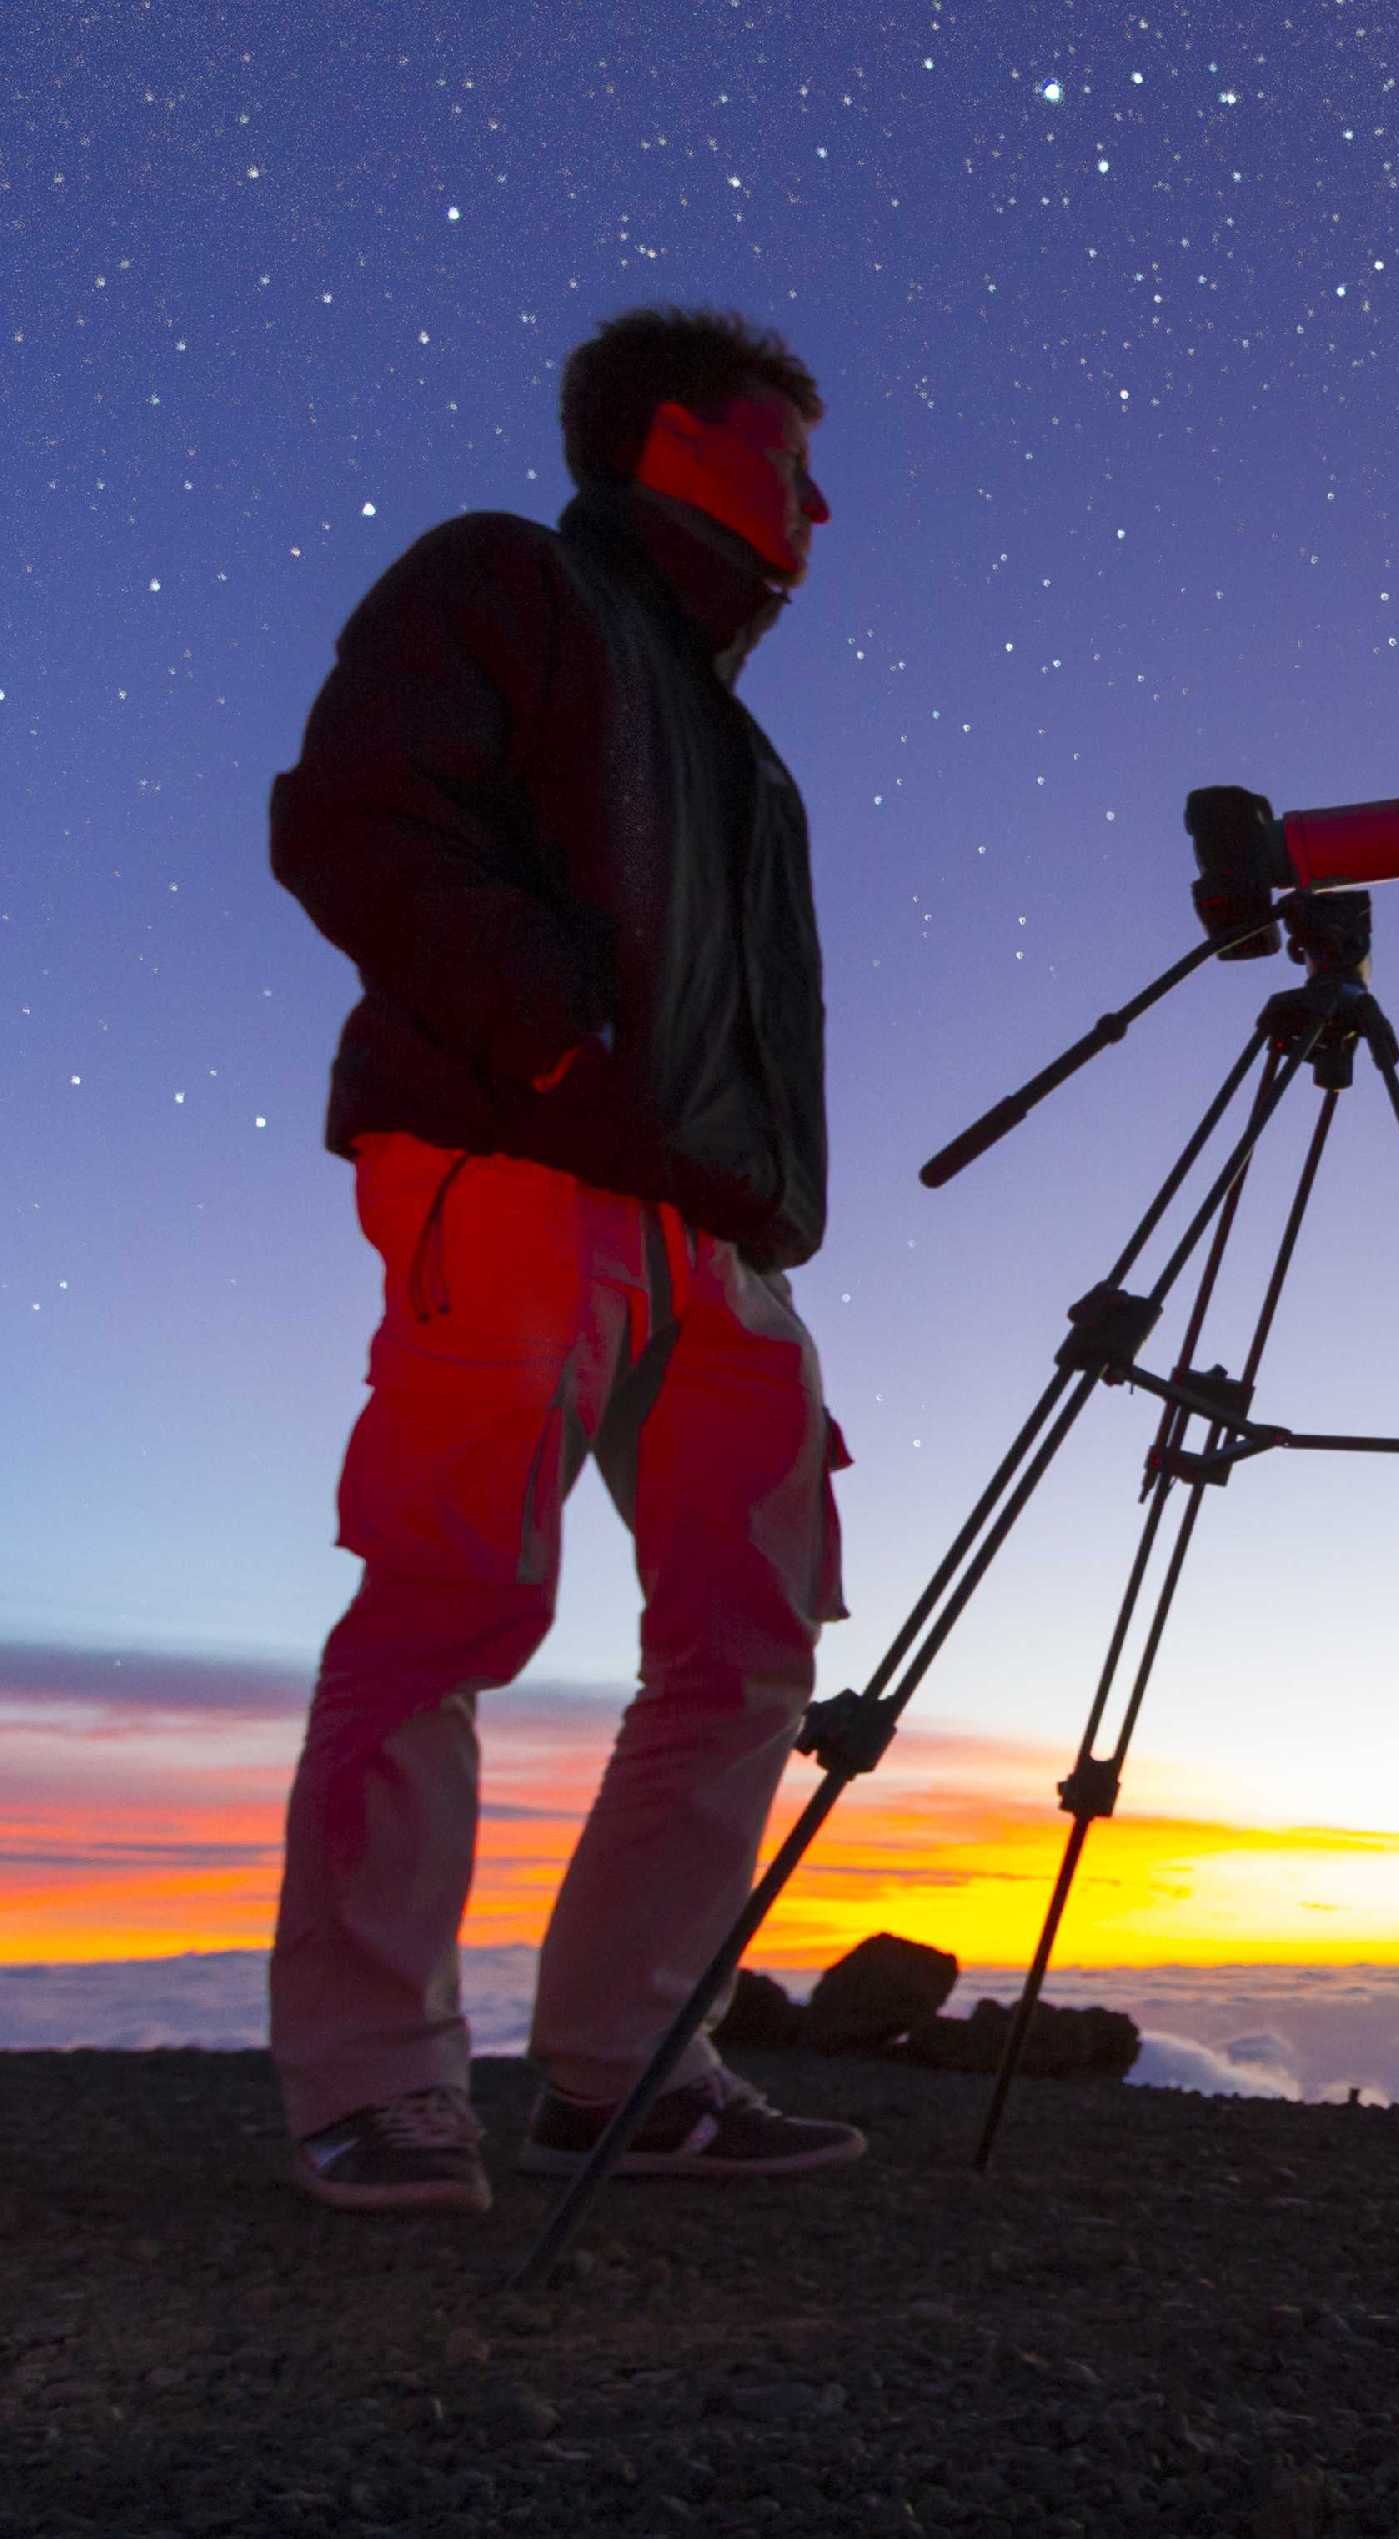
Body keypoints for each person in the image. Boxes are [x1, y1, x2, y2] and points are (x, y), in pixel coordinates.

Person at [265, 305, 864, 2212]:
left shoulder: (749, 756)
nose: (821, 504)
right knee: (447, 1607)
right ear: (677, 439)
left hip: (722, 1238)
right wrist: (552, 1046)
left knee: (752, 1643)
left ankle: (621, 2067)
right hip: (517, 1163)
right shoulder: (501, 579)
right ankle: (374, 2083)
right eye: (789, 456)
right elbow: (355, 817)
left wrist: (762, 1203)